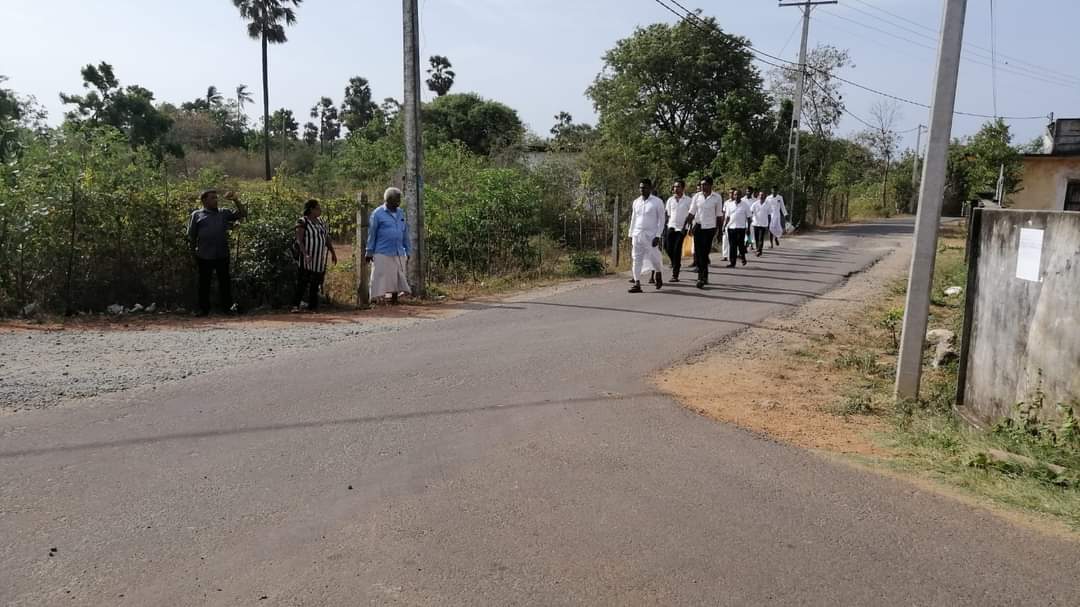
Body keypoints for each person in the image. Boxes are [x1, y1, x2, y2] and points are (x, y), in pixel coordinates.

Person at [187, 189, 247, 317]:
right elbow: (192, 237)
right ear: (204, 201)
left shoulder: (223, 213)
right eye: (212, 198)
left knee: (224, 282)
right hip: (204, 255)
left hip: (222, 254)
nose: (216, 200)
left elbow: (243, 213)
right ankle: (203, 310)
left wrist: (235, 200)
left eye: (216, 197)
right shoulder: (196, 215)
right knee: (204, 284)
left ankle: (227, 308)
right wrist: (193, 255)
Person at [365, 187, 411, 305]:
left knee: (396, 275)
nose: (399, 202)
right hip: (382, 251)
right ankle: (375, 299)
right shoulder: (377, 213)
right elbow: (372, 233)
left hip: (398, 250)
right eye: (397, 200)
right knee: (379, 276)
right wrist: (369, 251)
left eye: (399, 200)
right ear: (389, 200)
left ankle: (394, 298)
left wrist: (408, 250)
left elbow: (405, 232)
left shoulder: (401, 213)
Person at [292, 199, 337, 313]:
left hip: (318, 260)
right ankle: (295, 305)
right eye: (317, 208)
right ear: (311, 209)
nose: (320, 210)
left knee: (315, 283)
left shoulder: (321, 222)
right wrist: (305, 254)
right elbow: (299, 240)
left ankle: (312, 307)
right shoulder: (303, 222)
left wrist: (333, 252)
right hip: (306, 259)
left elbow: (326, 238)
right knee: (302, 282)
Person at [684, 176, 724, 289]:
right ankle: (701, 277)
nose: (702, 186)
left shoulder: (717, 197)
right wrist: (686, 226)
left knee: (705, 253)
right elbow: (692, 212)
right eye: (701, 185)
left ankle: (703, 276)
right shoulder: (697, 196)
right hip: (698, 227)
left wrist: (719, 232)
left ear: (710, 185)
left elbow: (719, 216)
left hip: (710, 229)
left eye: (705, 184)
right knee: (698, 253)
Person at [628, 179, 665, 293]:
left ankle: (658, 273)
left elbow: (662, 220)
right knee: (636, 258)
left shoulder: (657, 202)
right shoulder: (636, 202)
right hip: (637, 234)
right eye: (640, 187)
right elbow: (633, 219)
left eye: (644, 187)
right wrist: (631, 234)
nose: (642, 190)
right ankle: (637, 283)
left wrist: (658, 235)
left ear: (650, 188)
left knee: (654, 258)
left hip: (651, 236)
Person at [664, 179, 693, 282]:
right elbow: (668, 214)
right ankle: (675, 262)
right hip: (671, 226)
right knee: (667, 247)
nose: (676, 189)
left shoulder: (688, 200)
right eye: (675, 187)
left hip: (682, 228)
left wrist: (689, 228)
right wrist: (665, 226)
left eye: (678, 187)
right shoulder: (670, 200)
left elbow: (691, 215)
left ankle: (675, 274)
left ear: (683, 188)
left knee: (677, 250)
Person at [724, 188, 751, 267]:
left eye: (738, 194)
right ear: (733, 195)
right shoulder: (730, 205)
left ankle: (743, 257)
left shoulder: (745, 205)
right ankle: (732, 262)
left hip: (741, 228)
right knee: (732, 246)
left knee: (740, 245)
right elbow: (727, 217)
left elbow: (749, 218)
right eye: (735, 194)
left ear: (741, 195)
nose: (737, 196)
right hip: (731, 228)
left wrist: (748, 228)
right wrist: (724, 226)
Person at [750, 191, 770, 257]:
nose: (761, 196)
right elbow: (751, 211)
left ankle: (759, 250)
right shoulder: (755, 204)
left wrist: (769, 224)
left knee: (761, 238)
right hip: (755, 223)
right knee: (756, 238)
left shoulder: (767, 204)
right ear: (758, 196)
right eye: (760, 195)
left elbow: (769, 214)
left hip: (763, 224)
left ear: (765, 196)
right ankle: (757, 249)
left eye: (762, 195)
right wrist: (750, 219)